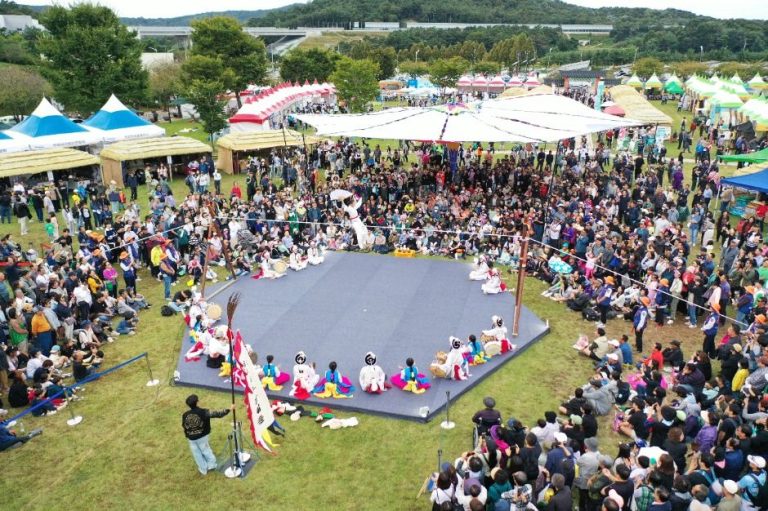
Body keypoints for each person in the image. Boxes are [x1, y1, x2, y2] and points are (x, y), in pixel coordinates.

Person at [181, 394, 233, 476]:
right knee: (206, 450)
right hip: (201, 437)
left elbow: (184, 425)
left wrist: (189, 434)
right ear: (197, 402)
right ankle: (212, 465)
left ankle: (203, 469)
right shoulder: (203, 412)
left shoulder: (185, 415)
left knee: (196, 454)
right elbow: (218, 414)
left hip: (191, 439)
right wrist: (229, 409)